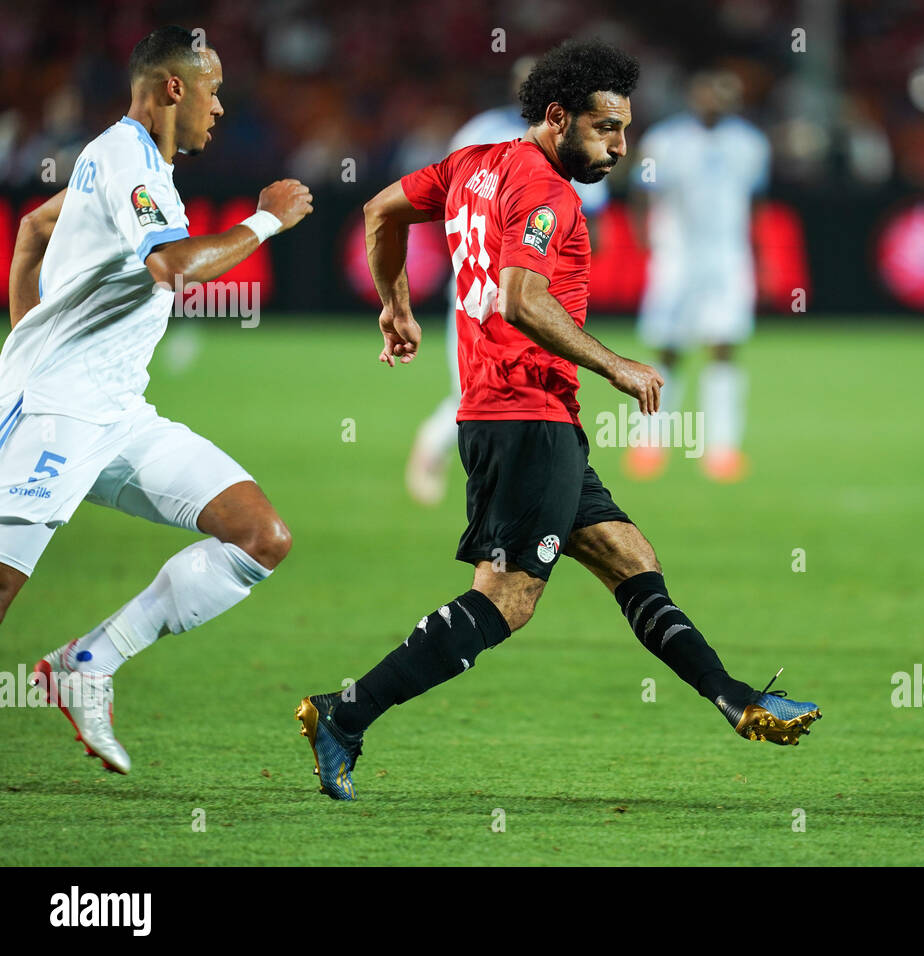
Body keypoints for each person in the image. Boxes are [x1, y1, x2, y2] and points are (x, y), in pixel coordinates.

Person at [296, 39, 820, 800]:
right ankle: (347, 713)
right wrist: (618, 364)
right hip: (523, 415)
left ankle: (733, 697)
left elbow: (381, 209)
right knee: (506, 599)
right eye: (606, 128)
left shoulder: (472, 163)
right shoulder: (548, 193)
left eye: (626, 129)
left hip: (528, 416)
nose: (619, 146)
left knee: (628, 556)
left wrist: (395, 305)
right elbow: (522, 297)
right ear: (557, 117)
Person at [8, 26, 312, 774]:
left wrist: (29, 338)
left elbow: (32, 228)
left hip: (116, 413)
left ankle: (86, 663)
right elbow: (171, 266)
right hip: (55, 416)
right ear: (175, 87)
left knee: (260, 536)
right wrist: (265, 218)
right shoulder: (126, 157)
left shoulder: (125, 163)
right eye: (212, 90)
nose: (219, 107)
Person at [405, 56, 610, 506]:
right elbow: (447, 199)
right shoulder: (480, 134)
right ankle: (444, 454)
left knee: (527, 388)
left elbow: (591, 211)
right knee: (479, 389)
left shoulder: (576, 137)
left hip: (537, 285)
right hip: (478, 286)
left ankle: (525, 489)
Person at [625, 69, 770, 482]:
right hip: (678, 255)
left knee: (724, 346)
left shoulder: (750, 144)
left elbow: (756, 201)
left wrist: (758, 252)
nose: (714, 100)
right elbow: (641, 187)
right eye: (708, 92)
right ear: (693, 96)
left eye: (723, 93)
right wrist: (643, 235)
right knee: (667, 347)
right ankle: (650, 442)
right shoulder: (664, 141)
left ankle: (722, 448)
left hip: (727, 256)